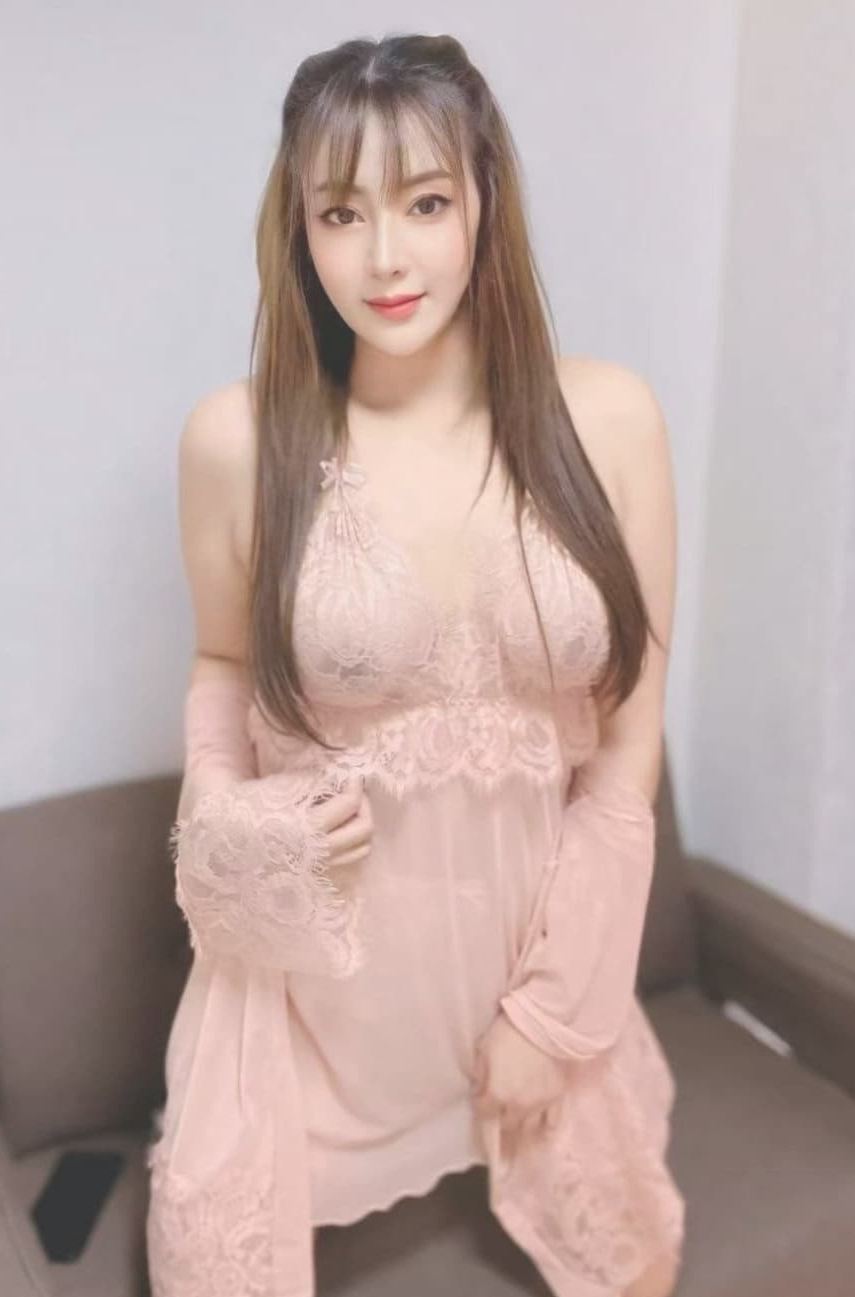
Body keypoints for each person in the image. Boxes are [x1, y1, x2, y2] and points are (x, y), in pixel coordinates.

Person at [145, 32, 684, 1297]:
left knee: (632, 1262)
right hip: (322, 995)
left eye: (425, 202)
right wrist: (229, 817)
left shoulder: (609, 419)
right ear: (299, 229)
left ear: (484, 201)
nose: (385, 257)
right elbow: (220, 662)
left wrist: (551, 1011)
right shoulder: (236, 442)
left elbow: (630, 733)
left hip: (530, 967)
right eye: (342, 212)